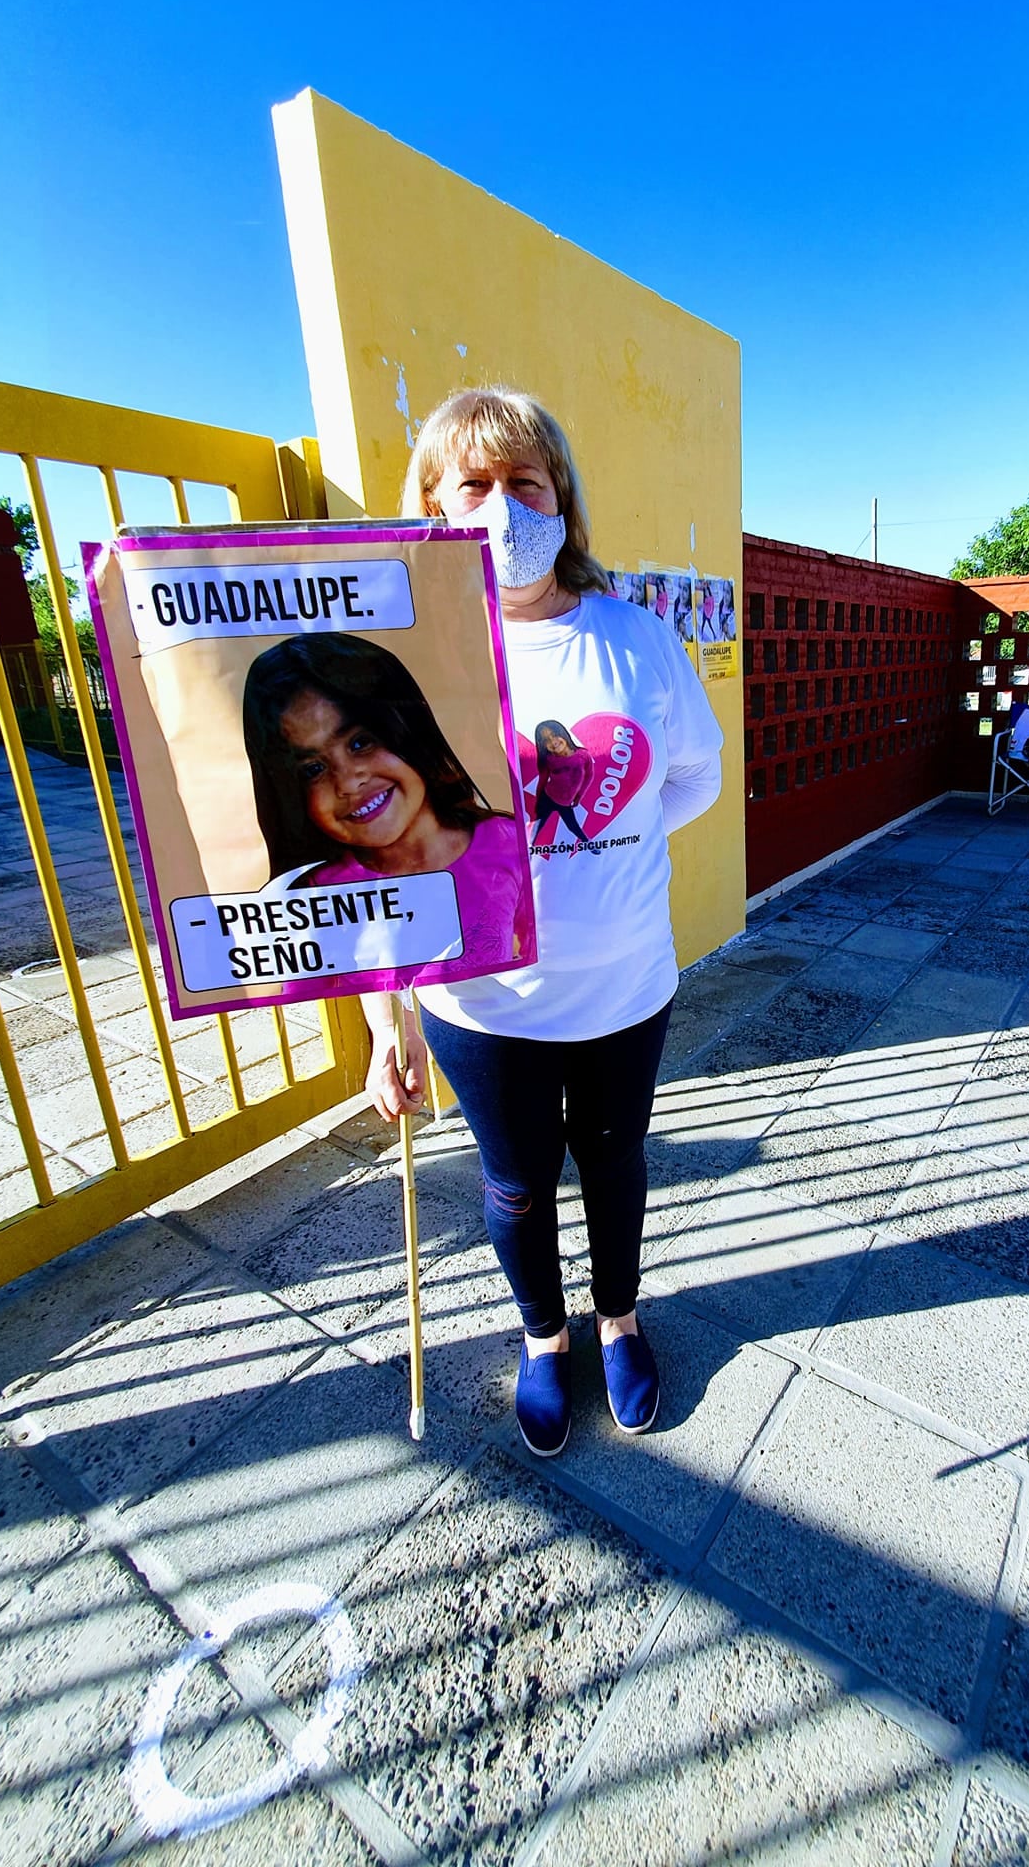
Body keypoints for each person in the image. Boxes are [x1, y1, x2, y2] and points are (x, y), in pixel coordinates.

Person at [364, 387, 724, 1457]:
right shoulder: (407, 665)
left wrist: (591, 859)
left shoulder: (638, 638)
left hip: (624, 986)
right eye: (472, 483)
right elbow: (378, 855)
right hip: (481, 1002)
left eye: (526, 481)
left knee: (614, 1165)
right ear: (432, 502)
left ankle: (618, 1318)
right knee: (517, 1185)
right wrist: (390, 1021)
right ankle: (544, 1335)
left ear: (562, 499)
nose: (503, 504)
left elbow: (689, 779)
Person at [242, 633, 533, 976]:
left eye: (361, 742)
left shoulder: (507, 840)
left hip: (488, 1028)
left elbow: (539, 941)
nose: (349, 782)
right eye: (313, 769)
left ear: (409, 729)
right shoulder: (320, 894)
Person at [531, 718, 593, 844]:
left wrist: (578, 797)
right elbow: (542, 779)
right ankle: (529, 849)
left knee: (572, 826)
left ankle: (587, 842)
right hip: (547, 797)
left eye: (554, 735)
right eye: (546, 740)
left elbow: (589, 775)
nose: (553, 742)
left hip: (565, 802)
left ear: (563, 733)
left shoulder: (583, 756)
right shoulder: (549, 759)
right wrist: (538, 800)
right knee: (538, 825)